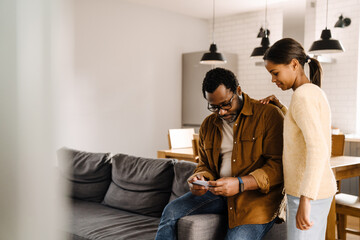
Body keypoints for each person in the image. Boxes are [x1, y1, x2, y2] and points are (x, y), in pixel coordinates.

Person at [155, 67, 286, 240]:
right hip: (218, 194)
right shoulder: (208, 125)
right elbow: (205, 164)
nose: (221, 112)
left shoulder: (268, 115)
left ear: (238, 90)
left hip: (255, 201)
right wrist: (200, 178)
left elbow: (278, 167)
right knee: (171, 211)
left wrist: (239, 184)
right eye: (214, 107)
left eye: (226, 104)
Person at [261, 38, 337, 239]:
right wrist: (281, 107)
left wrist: (306, 199)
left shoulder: (302, 96)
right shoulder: (312, 92)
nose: (273, 79)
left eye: (275, 73)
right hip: (316, 190)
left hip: (309, 192)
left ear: (294, 64)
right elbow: (301, 131)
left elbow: (318, 148)